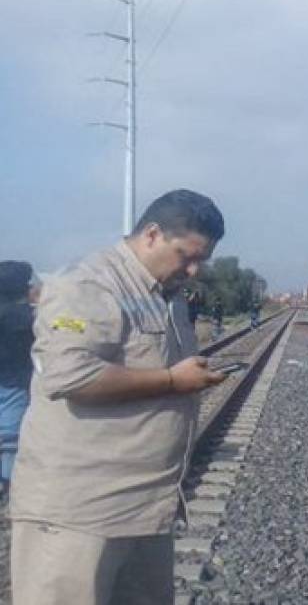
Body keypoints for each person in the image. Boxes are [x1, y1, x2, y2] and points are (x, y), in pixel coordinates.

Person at [9, 189, 229, 605]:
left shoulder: (168, 295)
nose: (195, 269)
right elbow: (69, 375)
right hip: (80, 514)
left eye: (203, 259)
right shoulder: (88, 284)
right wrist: (171, 380)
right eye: (187, 255)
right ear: (151, 235)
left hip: (147, 509)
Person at [0, 261, 36, 496]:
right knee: (11, 435)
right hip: (17, 379)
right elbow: (63, 325)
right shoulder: (28, 316)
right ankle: (9, 484)